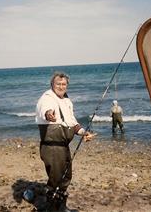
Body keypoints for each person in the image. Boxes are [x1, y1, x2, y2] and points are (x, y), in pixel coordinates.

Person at [36, 71, 95, 212]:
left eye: (64, 84)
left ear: (67, 86)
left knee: (66, 176)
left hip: (63, 147)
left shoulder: (67, 101)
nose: (61, 87)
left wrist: (83, 133)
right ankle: (50, 207)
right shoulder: (47, 98)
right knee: (56, 178)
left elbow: (72, 122)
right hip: (52, 147)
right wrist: (49, 115)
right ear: (52, 84)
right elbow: (45, 110)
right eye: (58, 84)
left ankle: (60, 206)